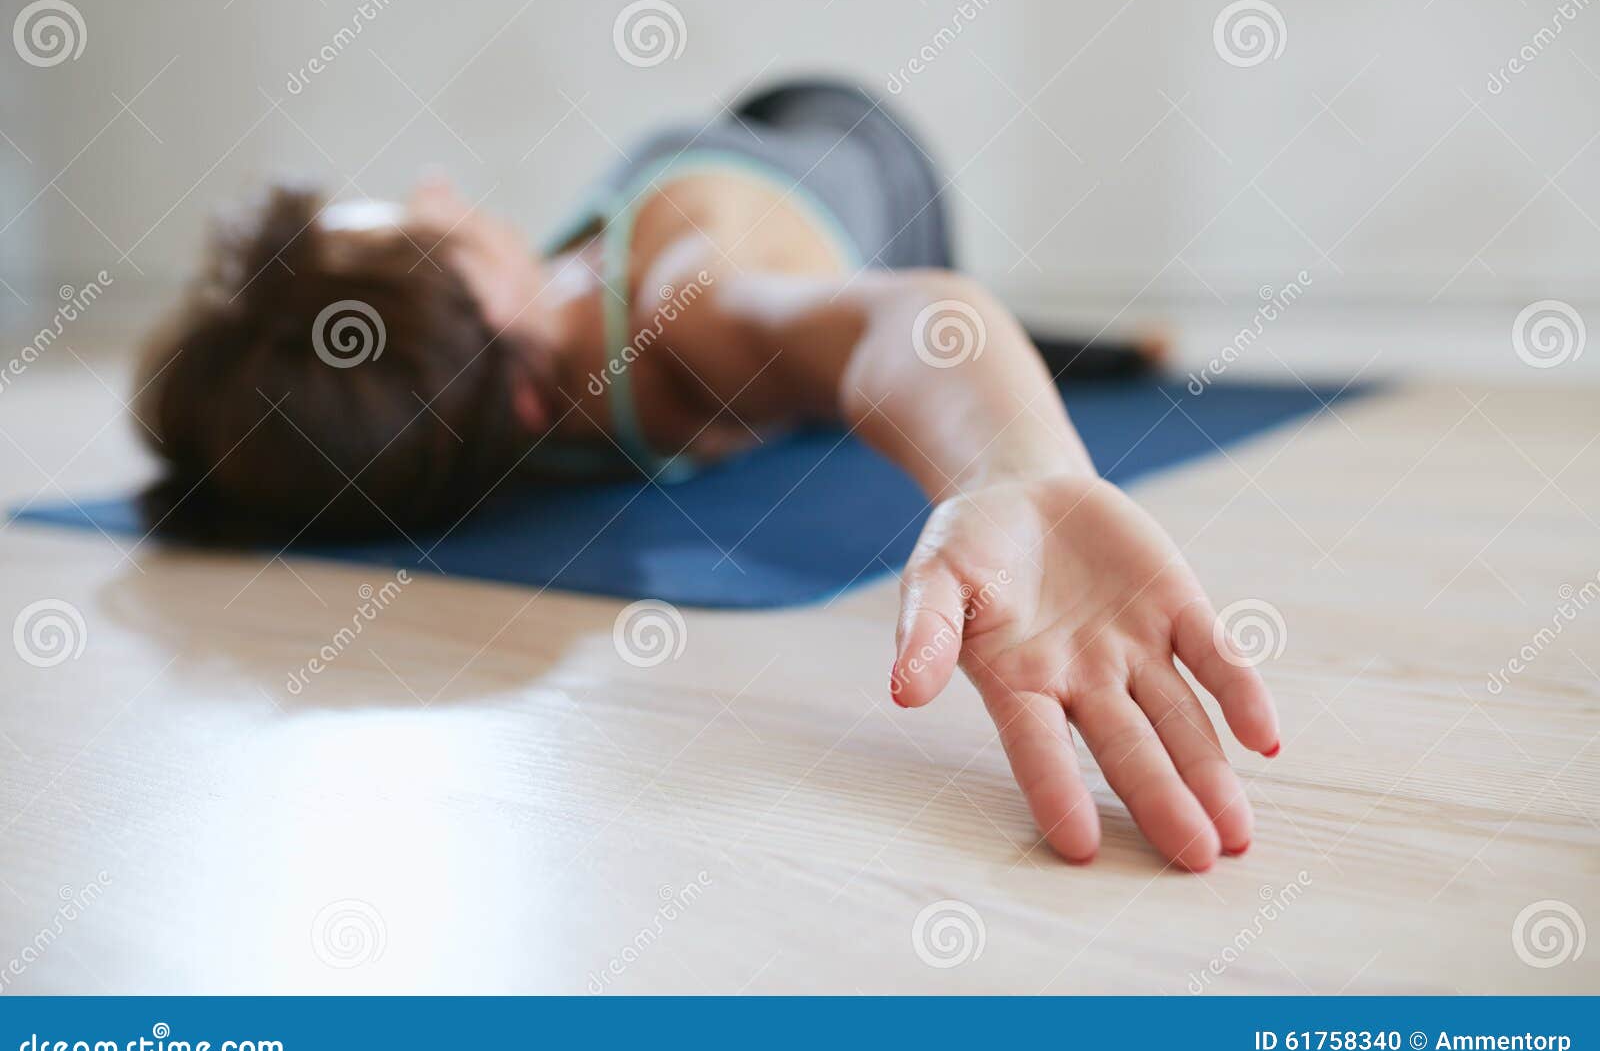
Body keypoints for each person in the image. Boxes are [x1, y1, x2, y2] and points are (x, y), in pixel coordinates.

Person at [135, 78, 1279, 872]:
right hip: (732, 198)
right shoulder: (504, 390)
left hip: (850, 143)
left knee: (834, 336)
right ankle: (1101, 353)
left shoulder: (688, 301)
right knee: (806, 355)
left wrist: (1018, 468)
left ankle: (1079, 358)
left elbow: (920, 319)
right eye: (432, 232)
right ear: (512, 389)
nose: (441, 188)